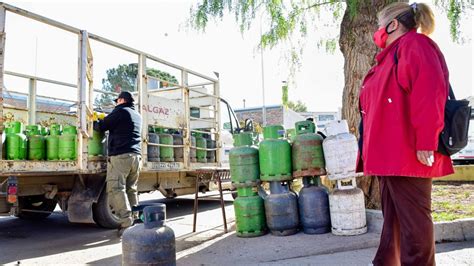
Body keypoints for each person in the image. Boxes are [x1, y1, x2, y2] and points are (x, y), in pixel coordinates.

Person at [357, 2, 454, 266]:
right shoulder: (392, 54)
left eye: (380, 26)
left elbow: (430, 93)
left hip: (408, 153)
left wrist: (426, 141)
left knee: (414, 222)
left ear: (393, 25)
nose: (377, 32)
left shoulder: (415, 45)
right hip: (390, 156)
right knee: (394, 219)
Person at [95, 91, 142, 236]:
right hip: (136, 157)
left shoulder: (121, 111)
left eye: (117, 101)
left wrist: (94, 121)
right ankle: (136, 220)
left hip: (121, 156)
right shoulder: (137, 115)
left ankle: (126, 222)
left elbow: (102, 126)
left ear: (121, 100)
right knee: (131, 189)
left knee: (116, 188)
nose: (116, 103)